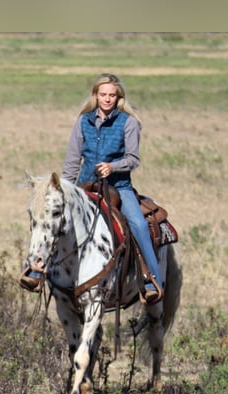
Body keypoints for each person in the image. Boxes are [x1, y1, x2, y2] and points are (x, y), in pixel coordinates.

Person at [62, 72, 162, 304]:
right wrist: (68, 189)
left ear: (119, 98)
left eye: (112, 95)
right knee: (57, 221)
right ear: (95, 96)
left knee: (138, 224)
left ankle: (151, 279)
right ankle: (45, 272)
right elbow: (72, 160)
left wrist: (113, 166)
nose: (107, 99)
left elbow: (133, 158)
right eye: (103, 94)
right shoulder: (83, 121)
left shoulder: (128, 122)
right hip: (86, 185)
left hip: (119, 186)